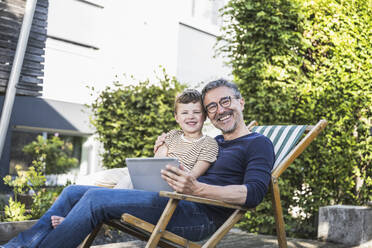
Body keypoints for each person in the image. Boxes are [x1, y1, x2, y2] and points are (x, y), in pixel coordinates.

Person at [2, 79, 274, 248]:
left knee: (96, 199)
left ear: (240, 101)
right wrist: (162, 158)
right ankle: (17, 246)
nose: (220, 110)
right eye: (212, 106)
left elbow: (253, 194)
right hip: (174, 201)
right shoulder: (216, 143)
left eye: (225, 101)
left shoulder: (258, 144)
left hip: (199, 216)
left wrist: (197, 190)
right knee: (74, 192)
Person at [51, 89, 219, 227]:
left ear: (204, 116)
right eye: (185, 112)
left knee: (115, 187)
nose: (190, 116)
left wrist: (176, 168)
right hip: (153, 179)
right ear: (176, 118)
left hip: (172, 189)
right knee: (93, 182)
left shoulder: (209, 144)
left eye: (196, 112)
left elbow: (192, 177)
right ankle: (81, 214)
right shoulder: (172, 135)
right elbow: (157, 161)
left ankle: (77, 221)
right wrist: (160, 150)